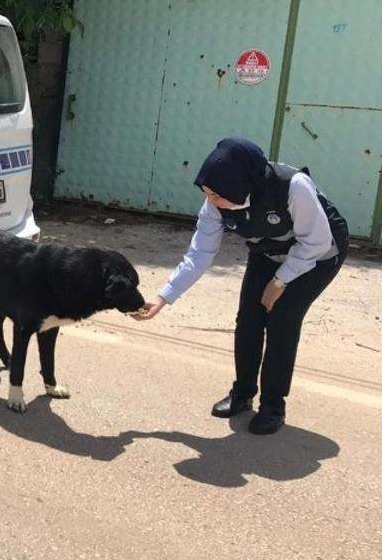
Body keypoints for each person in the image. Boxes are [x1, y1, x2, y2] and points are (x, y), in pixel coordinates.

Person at [133, 137, 350, 434]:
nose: (211, 199)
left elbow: (316, 242)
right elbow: (199, 254)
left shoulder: (293, 186)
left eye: (216, 194)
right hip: (268, 251)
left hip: (320, 253)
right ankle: (243, 393)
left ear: (242, 184)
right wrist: (163, 297)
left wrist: (280, 280)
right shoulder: (217, 200)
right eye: (206, 192)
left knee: (282, 319)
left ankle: (274, 406)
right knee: (248, 318)